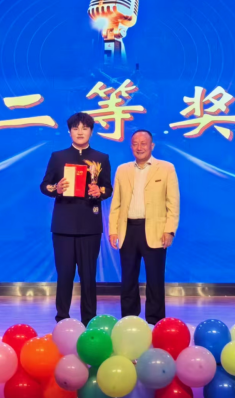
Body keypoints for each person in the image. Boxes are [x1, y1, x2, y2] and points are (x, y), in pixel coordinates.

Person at [40, 112, 112, 325]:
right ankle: (62, 318)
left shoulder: (101, 158)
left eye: (85, 128)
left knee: (88, 276)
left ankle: (89, 320)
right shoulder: (58, 157)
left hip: (90, 225)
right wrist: (56, 188)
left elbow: (108, 188)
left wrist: (100, 191)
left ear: (91, 131)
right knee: (64, 275)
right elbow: (44, 185)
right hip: (63, 225)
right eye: (75, 128)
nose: (80, 132)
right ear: (69, 131)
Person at [109, 130, 180, 324]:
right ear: (131, 146)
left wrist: (169, 230)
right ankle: (129, 320)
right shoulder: (122, 170)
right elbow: (116, 203)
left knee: (155, 279)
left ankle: (155, 321)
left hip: (155, 231)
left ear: (152, 146)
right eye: (135, 143)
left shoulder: (166, 168)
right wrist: (113, 230)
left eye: (143, 143)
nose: (139, 147)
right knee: (128, 279)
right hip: (128, 230)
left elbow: (173, 203)